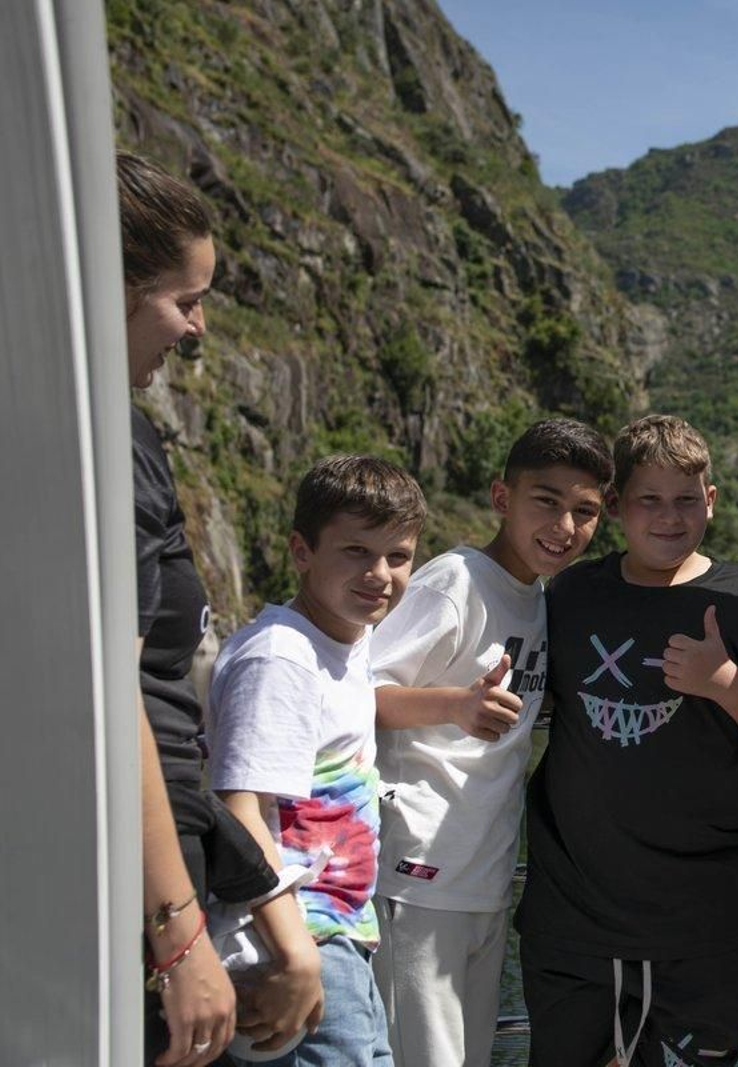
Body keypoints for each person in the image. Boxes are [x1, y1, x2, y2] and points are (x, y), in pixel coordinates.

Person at [119, 149, 323, 1065]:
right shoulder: (104, 447)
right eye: (181, 299)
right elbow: (110, 698)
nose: (196, 327)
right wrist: (178, 933)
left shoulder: (116, 433)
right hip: (135, 897)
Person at [515, 414, 738, 1067]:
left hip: (706, 923)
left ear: (711, 501)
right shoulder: (574, 591)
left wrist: (723, 682)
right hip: (574, 918)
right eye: (650, 500)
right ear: (616, 507)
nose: (670, 517)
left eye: (686, 500)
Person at [367, 418, 611, 1066]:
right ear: (502, 497)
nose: (564, 526)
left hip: (484, 873)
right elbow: (354, 695)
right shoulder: (454, 582)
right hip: (419, 870)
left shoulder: (533, 594)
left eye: (584, 511)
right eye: (547, 501)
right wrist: (454, 704)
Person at [206, 454, 428, 1066]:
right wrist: (297, 954)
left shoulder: (347, 641)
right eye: (355, 552)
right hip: (294, 939)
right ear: (302, 551)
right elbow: (240, 810)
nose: (379, 574)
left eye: (398, 556)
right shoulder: (281, 658)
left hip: (334, 935)